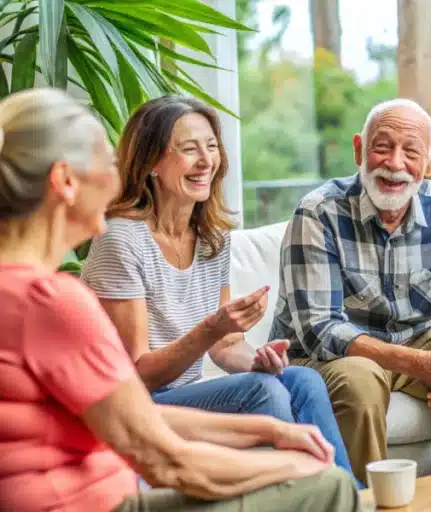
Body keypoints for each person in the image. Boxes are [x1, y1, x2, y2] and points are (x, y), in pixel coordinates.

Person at [0, 88, 357, 512]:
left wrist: (273, 434)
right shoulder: (52, 300)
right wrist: (296, 468)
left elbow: (131, 420)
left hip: (92, 485)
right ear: (64, 181)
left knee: (299, 384)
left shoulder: (23, 292)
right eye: (106, 164)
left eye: (212, 147)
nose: (116, 178)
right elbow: (166, 460)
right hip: (94, 502)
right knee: (332, 486)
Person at [269, 98, 431, 484]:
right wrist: (417, 364)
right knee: (361, 377)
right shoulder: (318, 211)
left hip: (415, 344)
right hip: (326, 358)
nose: (394, 164)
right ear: (359, 149)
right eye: (382, 147)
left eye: (411, 152)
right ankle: (371, 503)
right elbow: (320, 328)